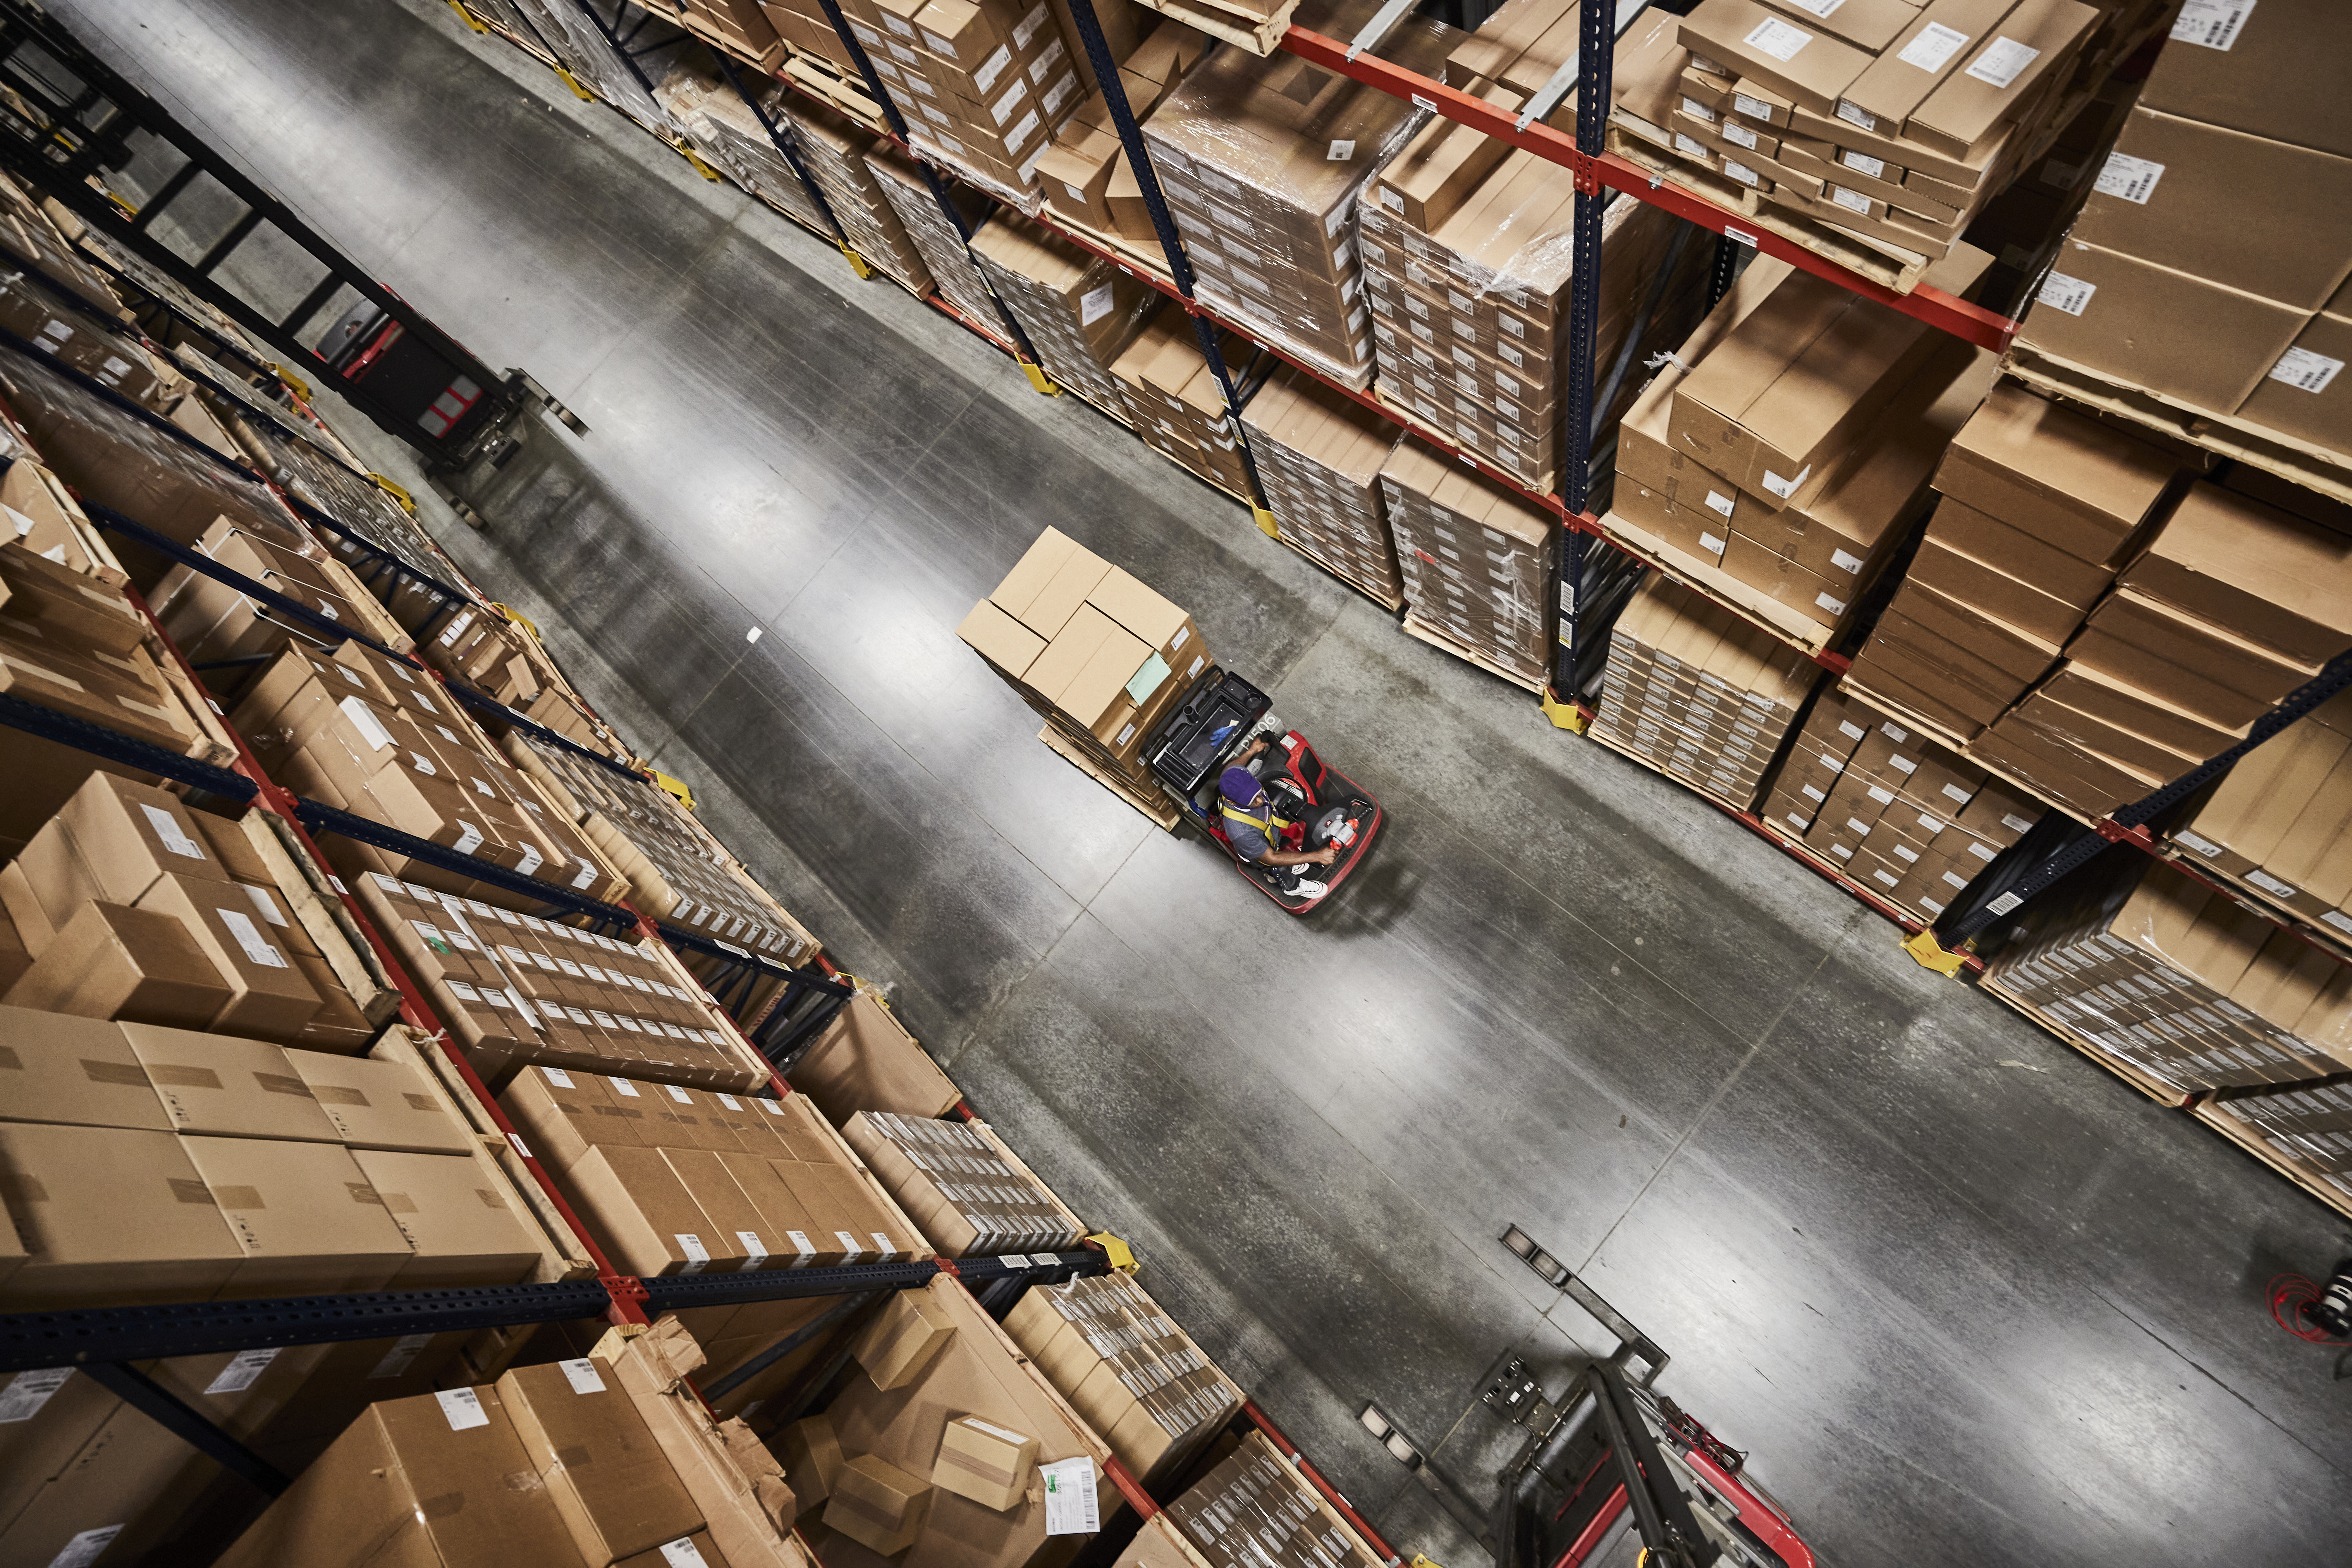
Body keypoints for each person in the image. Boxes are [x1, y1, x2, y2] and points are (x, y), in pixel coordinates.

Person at [1220, 737, 1337, 898]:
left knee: (1280, 851)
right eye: (1252, 800)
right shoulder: (1241, 832)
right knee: (1275, 867)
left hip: (1269, 831)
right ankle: (1293, 886)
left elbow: (1232, 768)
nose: (1260, 801)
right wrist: (1317, 856)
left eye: (1258, 793)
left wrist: (1252, 751)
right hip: (1259, 852)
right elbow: (1272, 858)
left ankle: (1290, 864)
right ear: (1233, 802)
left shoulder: (1237, 777)